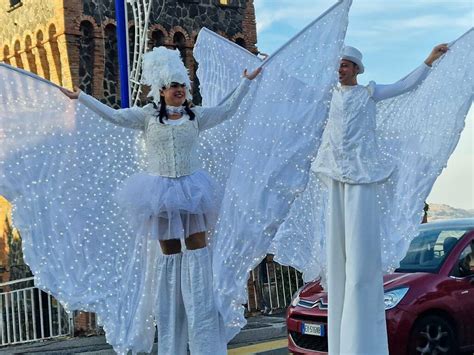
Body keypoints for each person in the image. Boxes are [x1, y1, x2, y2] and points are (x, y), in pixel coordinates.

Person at [60, 47, 261, 354]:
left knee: (197, 252)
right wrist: (82, 98)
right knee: (169, 257)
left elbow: (228, 110)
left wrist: (246, 82)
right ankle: (172, 336)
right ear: (162, 91)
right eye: (172, 86)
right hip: (159, 195)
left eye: (182, 86)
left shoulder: (196, 116)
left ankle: (204, 334)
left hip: (193, 191)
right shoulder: (147, 117)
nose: (178, 90)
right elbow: (114, 116)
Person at [310, 44, 448, 355]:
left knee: (360, 253)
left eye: (346, 65)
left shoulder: (369, 93)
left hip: (361, 175)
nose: (340, 69)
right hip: (335, 176)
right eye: (339, 65)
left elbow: (405, 85)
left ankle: (362, 341)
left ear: (357, 69)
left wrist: (428, 60)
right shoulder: (327, 96)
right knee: (338, 251)